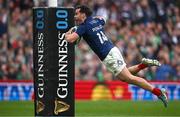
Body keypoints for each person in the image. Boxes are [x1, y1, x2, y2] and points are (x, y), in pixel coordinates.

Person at [65, 5, 168, 107]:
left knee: (129, 78)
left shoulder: (83, 27)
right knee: (124, 77)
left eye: (76, 13)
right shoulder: (95, 21)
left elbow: (69, 39)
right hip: (112, 50)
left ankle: (158, 92)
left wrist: (67, 33)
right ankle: (143, 65)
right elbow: (103, 19)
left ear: (83, 14)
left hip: (108, 55)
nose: (75, 16)